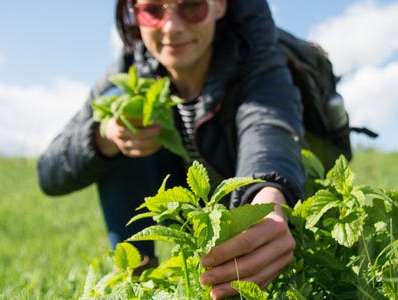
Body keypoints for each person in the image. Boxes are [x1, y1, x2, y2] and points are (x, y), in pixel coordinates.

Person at [36, 0, 305, 298]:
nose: (172, 28)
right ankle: (137, 281)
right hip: (195, 211)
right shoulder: (128, 76)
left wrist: (267, 197)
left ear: (219, 7)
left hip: (277, 203)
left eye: (192, 6)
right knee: (122, 103)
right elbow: (48, 173)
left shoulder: (257, 60)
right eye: (153, 10)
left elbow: (267, 125)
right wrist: (105, 136)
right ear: (134, 13)